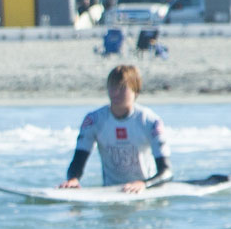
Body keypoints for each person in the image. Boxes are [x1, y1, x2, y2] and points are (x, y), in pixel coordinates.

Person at [58, 63, 171, 194]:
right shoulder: (94, 120)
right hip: (111, 192)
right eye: (112, 87)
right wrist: (73, 179)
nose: (115, 93)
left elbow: (166, 172)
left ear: (136, 90)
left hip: (144, 192)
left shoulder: (150, 121)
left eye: (122, 88)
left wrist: (144, 184)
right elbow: (78, 160)